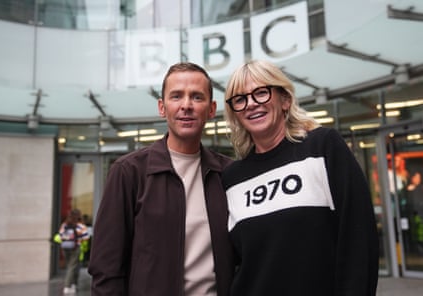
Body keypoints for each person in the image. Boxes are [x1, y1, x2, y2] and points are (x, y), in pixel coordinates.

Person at [221, 60, 379, 295]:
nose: (251, 104)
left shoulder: (323, 147)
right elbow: (233, 260)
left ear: (285, 100)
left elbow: (358, 237)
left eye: (261, 93)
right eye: (240, 99)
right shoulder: (232, 177)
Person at [88, 62, 234, 295]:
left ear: (211, 109)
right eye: (176, 96)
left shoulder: (228, 174)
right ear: (162, 107)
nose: (186, 105)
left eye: (197, 97)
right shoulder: (129, 172)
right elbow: (106, 269)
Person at [58, 208, 90, 294]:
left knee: (71, 266)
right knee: (72, 267)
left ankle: (73, 284)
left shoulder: (65, 225)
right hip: (76, 248)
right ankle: (67, 286)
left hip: (65, 248)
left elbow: (60, 236)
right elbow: (86, 237)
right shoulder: (81, 226)